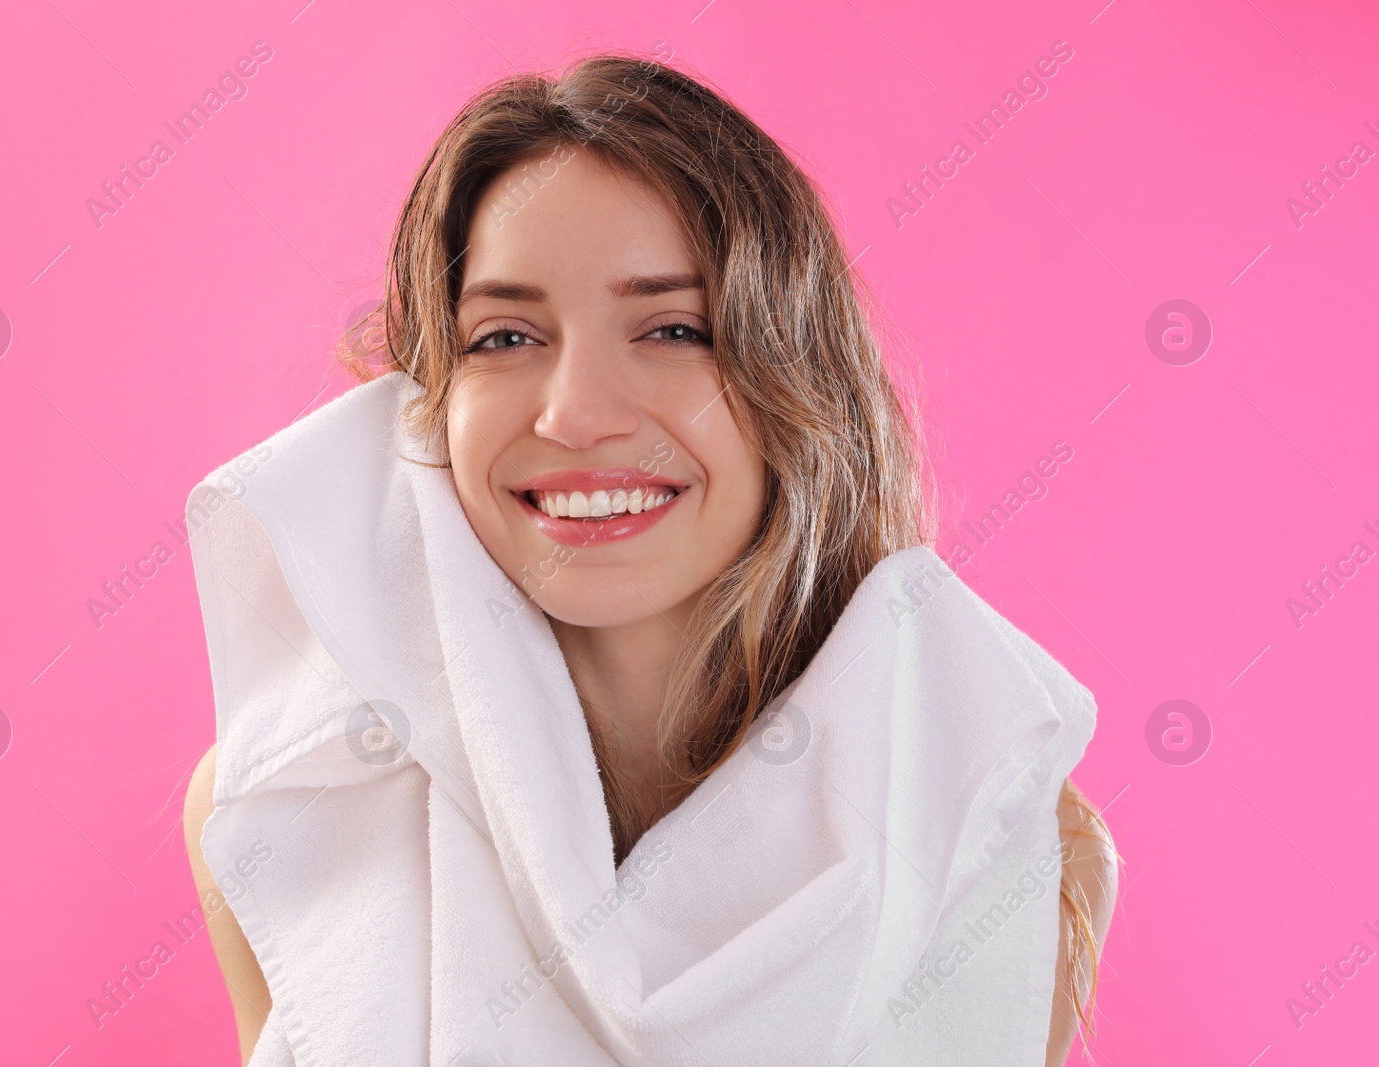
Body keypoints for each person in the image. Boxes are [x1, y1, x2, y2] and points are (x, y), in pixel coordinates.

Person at [185, 51, 1116, 1065]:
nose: (576, 413)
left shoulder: (993, 823)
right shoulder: (298, 792)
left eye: (674, 328)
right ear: (425, 409)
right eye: (502, 338)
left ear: (794, 381)